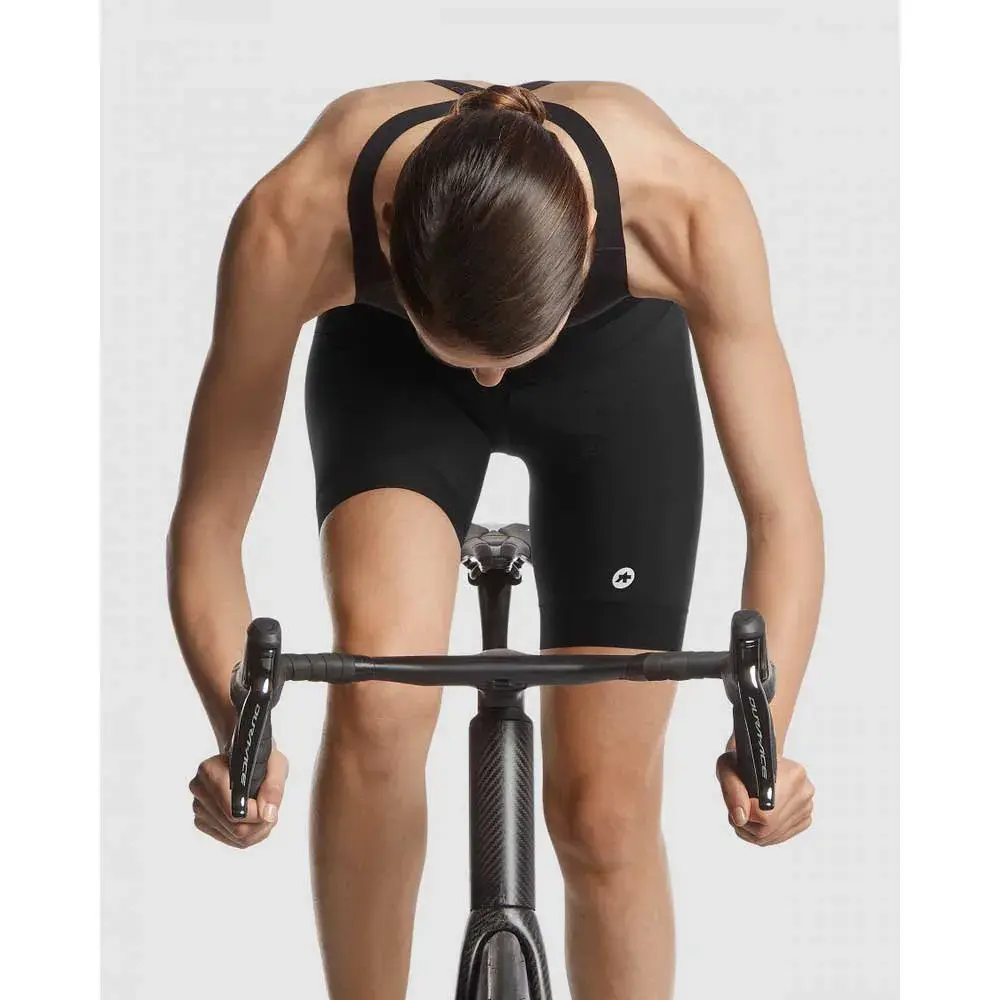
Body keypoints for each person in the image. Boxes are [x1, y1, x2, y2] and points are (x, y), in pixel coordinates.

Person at [167, 79, 823, 999]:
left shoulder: (687, 204)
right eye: (468, 356)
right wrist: (240, 735)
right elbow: (208, 526)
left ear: (588, 234)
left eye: (509, 356)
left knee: (604, 809)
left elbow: (783, 511)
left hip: (612, 379)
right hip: (392, 372)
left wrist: (766, 740)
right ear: (386, 230)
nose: (489, 377)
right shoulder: (295, 219)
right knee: (380, 704)